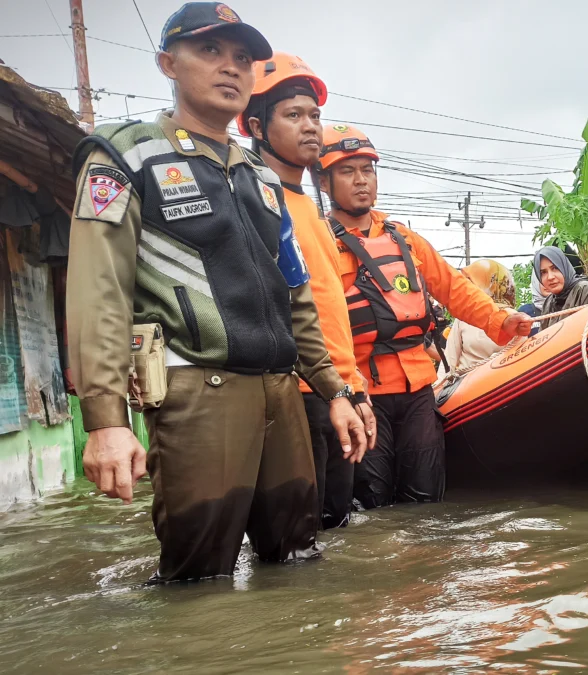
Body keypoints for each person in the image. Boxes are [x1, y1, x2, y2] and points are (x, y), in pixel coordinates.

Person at [66, 2, 366, 583]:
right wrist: (106, 420)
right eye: (210, 51)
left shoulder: (262, 180)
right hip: (197, 391)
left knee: (300, 561)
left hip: (283, 394)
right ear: (167, 64)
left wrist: (334, 389)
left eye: (242, 58)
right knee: (198, 581)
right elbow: (98, 289)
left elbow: (295, 295)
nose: (230, 68)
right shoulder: (125, 156)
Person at [317, 124, 533, 506]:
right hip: (361, 391)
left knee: (425, 499)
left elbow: (455, 288)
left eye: (367, 170)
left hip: (418, 388)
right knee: (371, 501)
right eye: (347, 172)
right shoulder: (319, 243)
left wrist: (501, 320)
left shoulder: (405, 238)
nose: (361, 180)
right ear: (323, 182)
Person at [239, 52, 376, 530]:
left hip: (331, 391)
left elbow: (328, 313)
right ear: (256, 126)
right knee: (294, 536)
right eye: (293, 115)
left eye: (314, 115)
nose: (311, 126)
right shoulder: (252, 200)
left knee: (333, 523)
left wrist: (352, 389)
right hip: (291, 392)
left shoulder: (309, 210)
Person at [438, 259, 516, 381]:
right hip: (464, 388)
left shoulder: (513, 318)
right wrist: (438, 390)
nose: (467, 289)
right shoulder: (464, 318)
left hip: (502, 386)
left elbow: (520, 358)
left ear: (492, 285)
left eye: (472, 282)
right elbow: (449, 360)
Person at [535, 245, 588, 328]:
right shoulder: (549, 302)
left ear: (564, 266)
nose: (550, 277)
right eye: (543, 272)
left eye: (555, 268)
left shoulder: (585, 290)